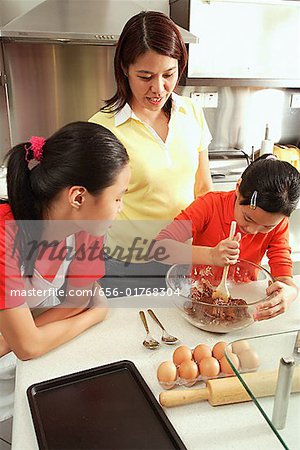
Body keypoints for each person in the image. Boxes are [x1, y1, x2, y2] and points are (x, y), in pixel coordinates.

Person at [0, 121, 130, 420]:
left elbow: (76, 301)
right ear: (78, 197)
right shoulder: (5, 233)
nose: (120, 208)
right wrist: (95, 314)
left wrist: (17, 336)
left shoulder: (88, 228)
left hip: (25, 358)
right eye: (118, 197)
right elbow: (29, 345)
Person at [89, 11, 213, 296]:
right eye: (145, 76)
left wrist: (207, 251)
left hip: (182, 258)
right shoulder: (103, 128)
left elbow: (203, 188)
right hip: (128, 265)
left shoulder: (191, 112)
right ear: (124, 68)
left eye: (168, 74)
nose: (158, 88)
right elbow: (93, 213)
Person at [155, 155, 300, 321]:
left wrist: (290, 292)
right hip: (196, 296)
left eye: (267, 227)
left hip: (242, 301)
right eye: (248, 218)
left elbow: (283, 276)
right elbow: (160, 249)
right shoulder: (210, 206)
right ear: (238, 188)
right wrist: (211, 256)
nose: (253, 230)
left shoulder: (279, 224)